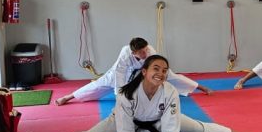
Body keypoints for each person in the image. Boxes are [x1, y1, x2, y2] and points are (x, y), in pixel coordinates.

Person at [7, 55, 261, 132]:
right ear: (144, 72)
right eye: (156, 68)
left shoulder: (170, 92)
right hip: (122, 122)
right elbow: (125, 127)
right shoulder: (127, 94)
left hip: (158, 122)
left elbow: (171, 124)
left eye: (165, 70)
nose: (161, 73)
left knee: (197, 129)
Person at [56, 37, 211, 105]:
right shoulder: (125, 54)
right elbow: (120, 75)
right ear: (133, 52)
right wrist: (120, 98)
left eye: (145, 50)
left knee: (171, 76)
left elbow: (157, 70)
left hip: (144, 72)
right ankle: (68, 97)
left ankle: (201, 87)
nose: (144, 53)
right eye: (141, 52)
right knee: (98, 85)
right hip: (122, 73)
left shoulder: (150, 51)